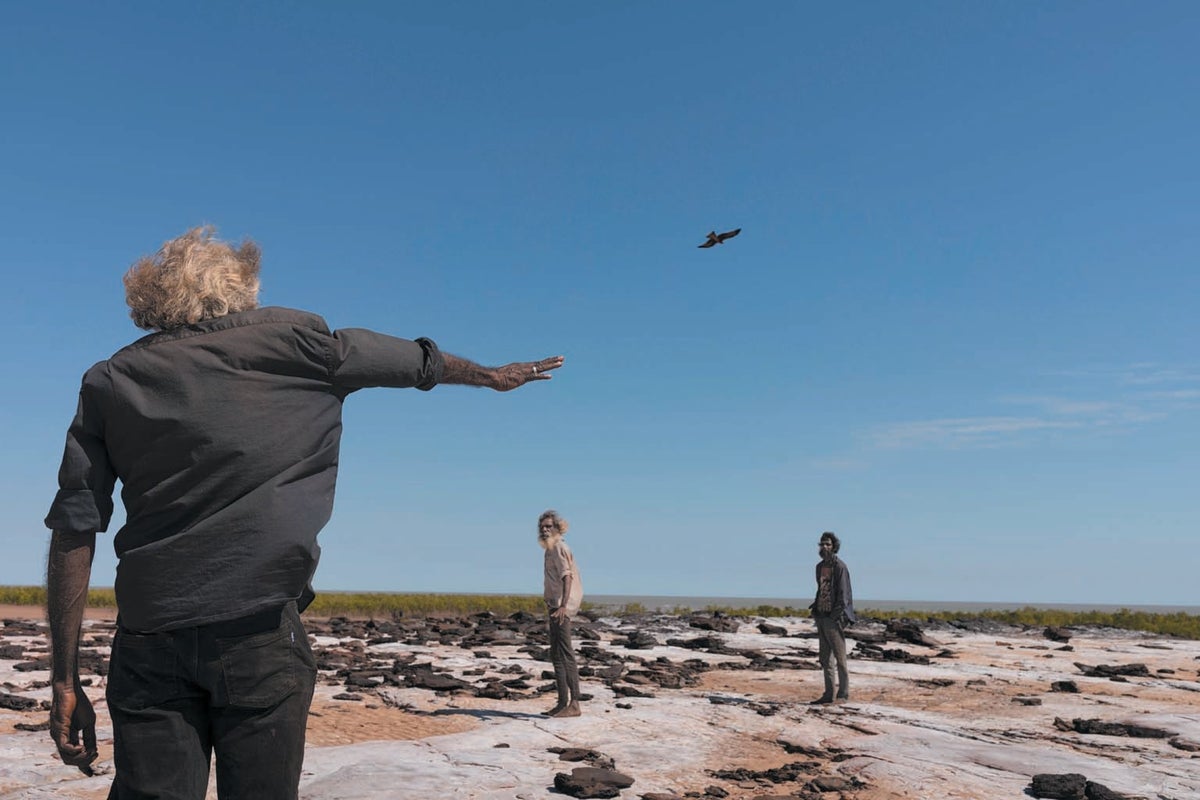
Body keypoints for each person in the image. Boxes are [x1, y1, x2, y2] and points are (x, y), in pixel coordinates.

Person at [44, 225, 566, 799]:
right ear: (242, 288)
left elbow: (75, 532)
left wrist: (64, 679)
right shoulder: (306, 348)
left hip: (149, 638)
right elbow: (419, 363)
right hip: (260, 633)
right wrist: (492, 376)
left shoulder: (111, 380)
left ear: (152, 302)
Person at [537, 509, 583, 717]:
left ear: (557, 528)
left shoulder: (559, 547)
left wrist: (563, 606)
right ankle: (562, 702)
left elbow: (567, 577)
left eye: (549, 526)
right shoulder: (549, 549)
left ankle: (574, 704)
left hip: (561, 607)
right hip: (554, 605)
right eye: (542, 527)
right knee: (555, 653)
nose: (545, 530)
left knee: (566, 653)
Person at [809, 531, 856, 704]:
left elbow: (844, 594)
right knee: (825, 658)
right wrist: (815, 609)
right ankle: (828, 694)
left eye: (828, 544)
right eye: (822, 544)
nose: (824, 547)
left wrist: (836, 616)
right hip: (821, 616)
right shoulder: (819, 567)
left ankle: (843, 695)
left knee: (840, 658)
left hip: (834, 618)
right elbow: (821, 589)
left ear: (834, 546)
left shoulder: (840, 567)